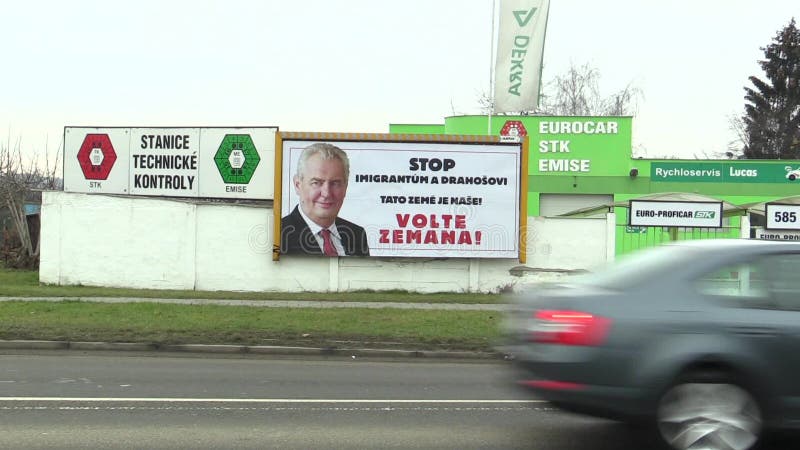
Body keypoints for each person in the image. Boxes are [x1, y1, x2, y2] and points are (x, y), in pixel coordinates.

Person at [280, 143, 369, 256]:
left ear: (345, 187)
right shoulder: (279, 234)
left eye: (335, 183)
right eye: (316, 183)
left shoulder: (358, 235)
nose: (326, 194)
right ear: (298, 185)